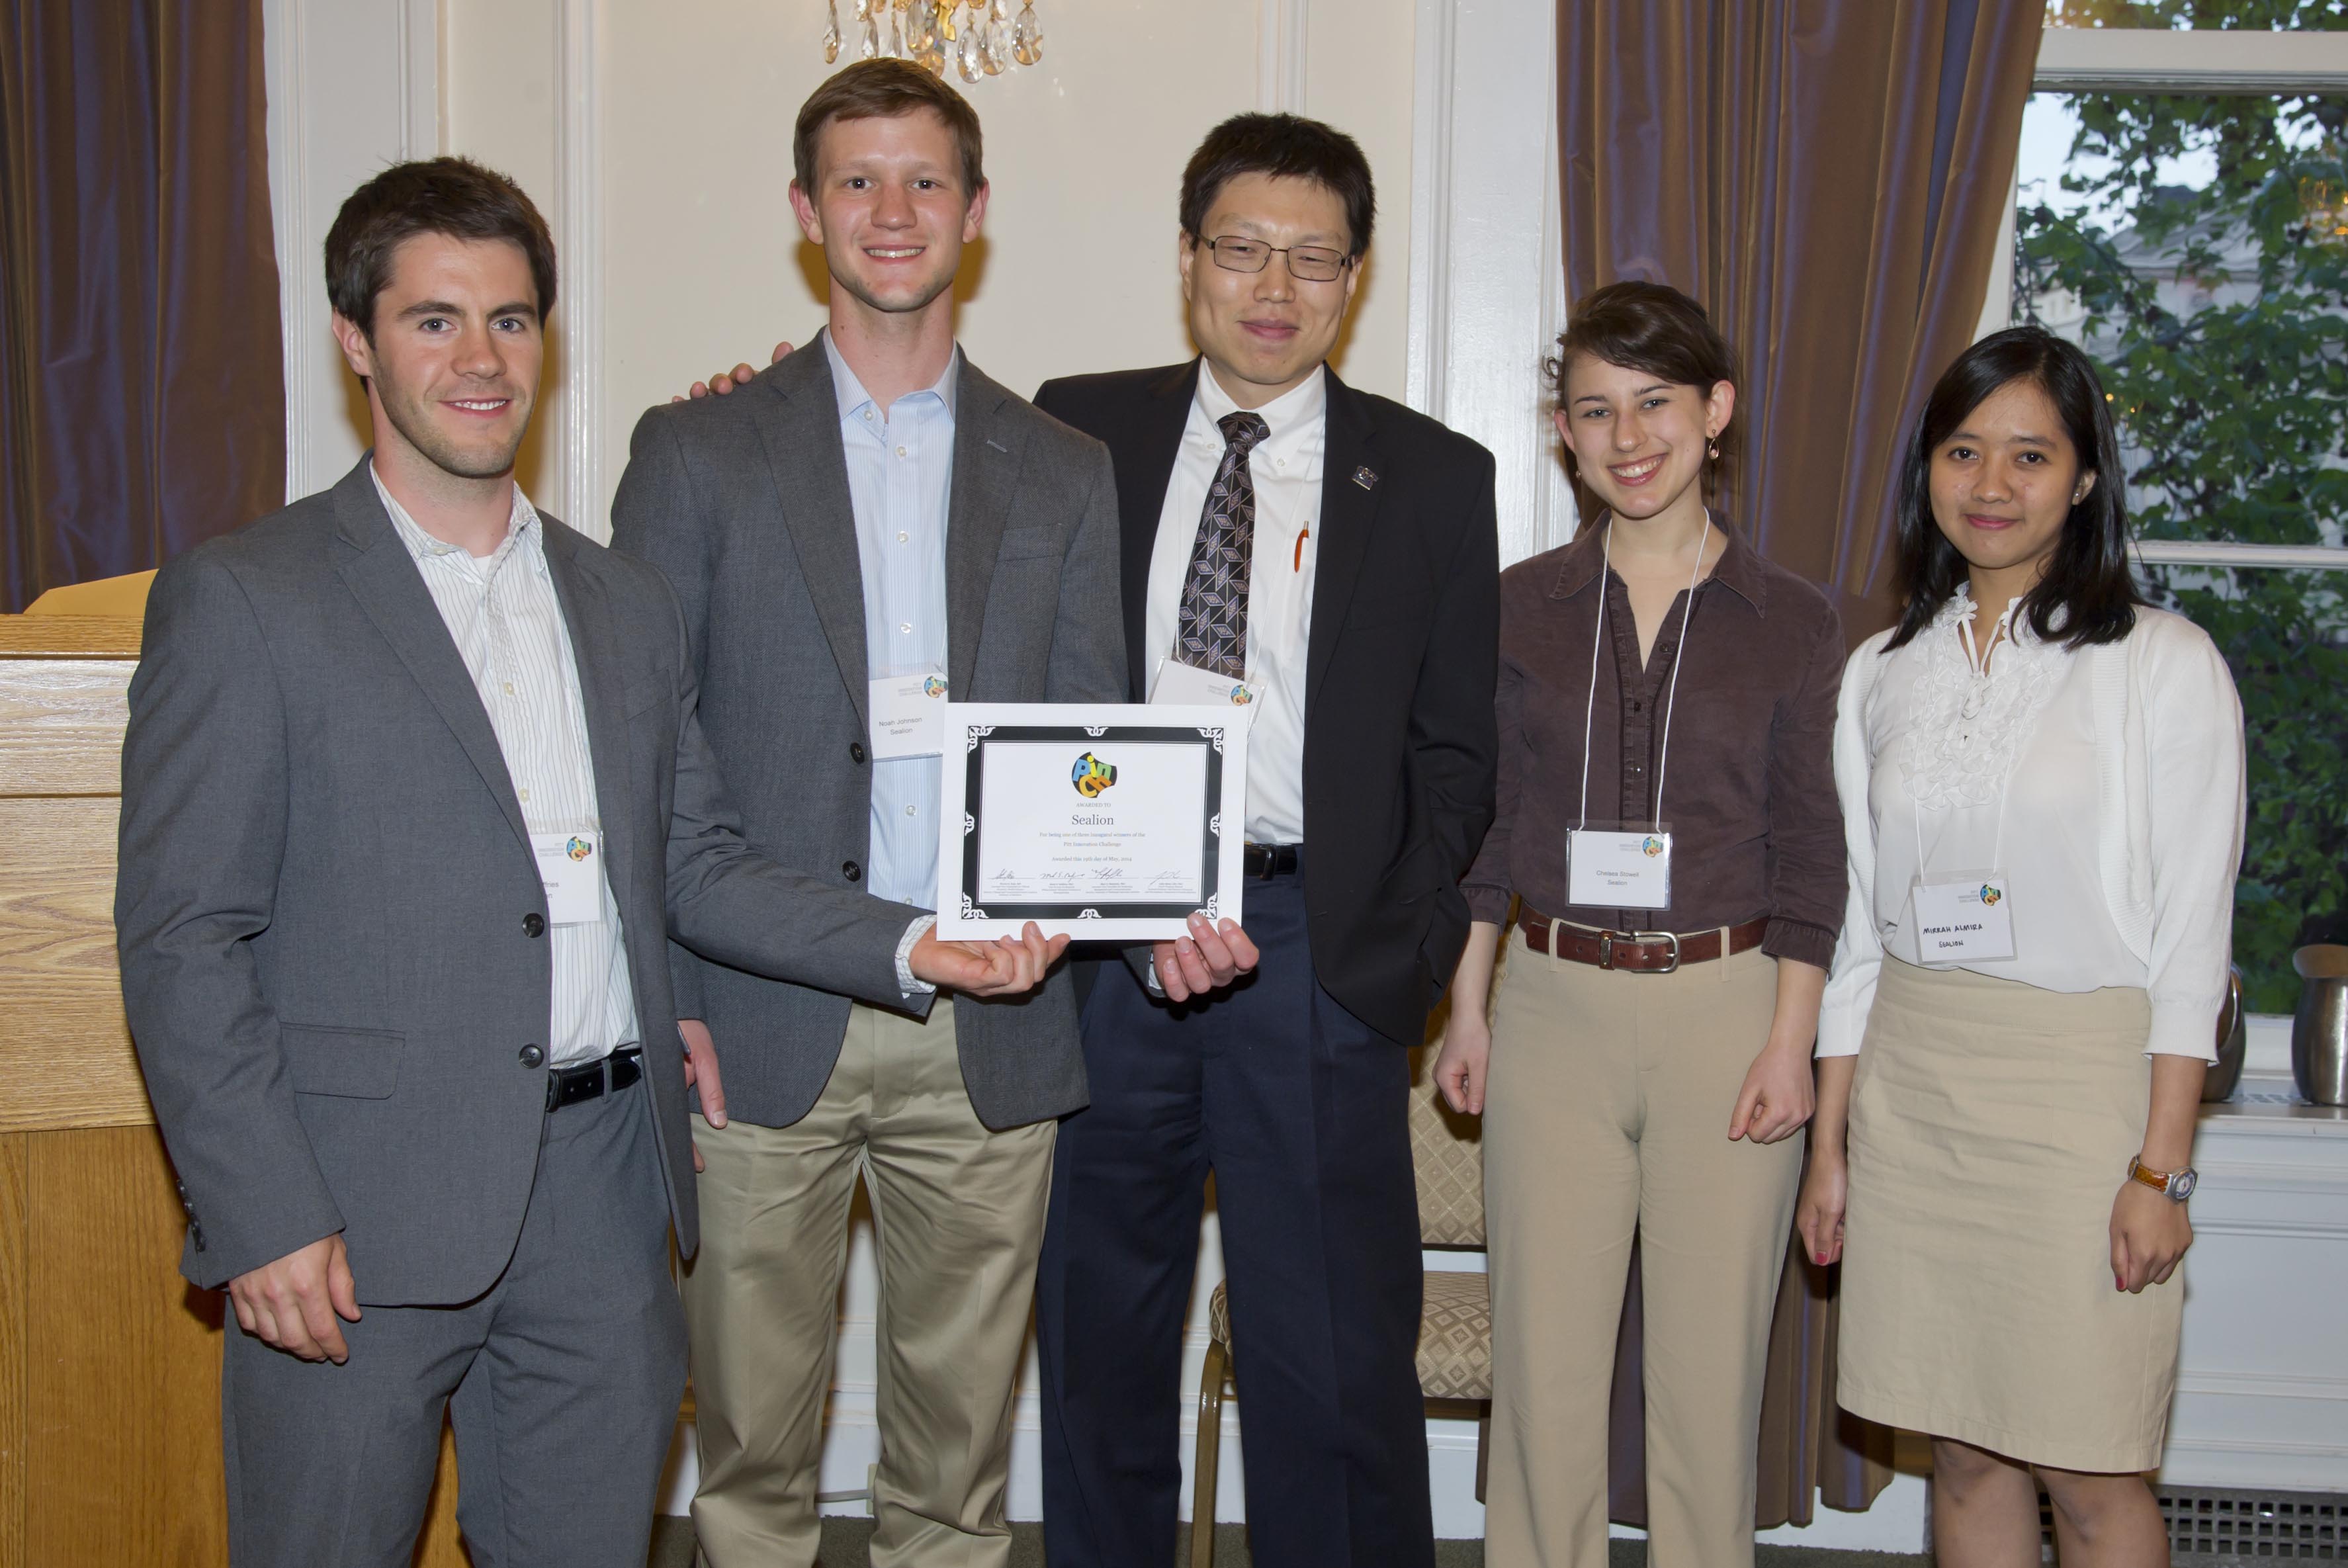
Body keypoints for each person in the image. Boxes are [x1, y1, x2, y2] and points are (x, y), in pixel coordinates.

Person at [113, 155, 1062, 1568]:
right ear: (356, 341)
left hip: (607, 1204)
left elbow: (695, 862)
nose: (481, 360)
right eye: (434, 321)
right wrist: (261, 1215)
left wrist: (911, 943)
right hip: (355, 1213)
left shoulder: (620, 604)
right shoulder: (249, 597)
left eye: (510, 320)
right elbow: (184, 936)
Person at [607, 61, 1127, 1568]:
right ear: (802, 210)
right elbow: (655, 760)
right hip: (756, 1025)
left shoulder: (1068, 471)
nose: (890, 212)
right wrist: (674, 1001)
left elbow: (1087, 740)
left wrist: (1081, 902)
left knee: (956, 1475)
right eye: (855, 180)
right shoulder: (695, 451)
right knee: (750, 1459)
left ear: (973, 214)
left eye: (922, 183)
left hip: (993, 1023)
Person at [1028, 113, 1496, 1568]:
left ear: (1352, 279)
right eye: (1240, 249)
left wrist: (1390, 967)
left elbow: (1456, 751)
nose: (1271, 286)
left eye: (1312, 258)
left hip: (1311, 951)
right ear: (1188, 262)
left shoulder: (1428, 476)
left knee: (1332, 1358)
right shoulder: (1070, 430)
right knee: (1099, 1333)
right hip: (1102, 941)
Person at [1798, 326, 2244, 1567]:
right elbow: (1859, 930)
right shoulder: (1879, 673)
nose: (1989, 485)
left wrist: (2162, 1169)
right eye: (1962, 450)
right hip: (1914, 1087)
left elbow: (2190, 941)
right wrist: (1830, 1145)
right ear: (1927, 471)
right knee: (1962, 1451)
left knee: (2090, 1464)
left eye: (2029, 455)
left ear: (2084, 478)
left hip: (2082, 1096)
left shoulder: (2162, 664)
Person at [1429, 281, 1845, 1567]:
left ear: (1714, 413)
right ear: (1562, 430)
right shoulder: (1513, 607)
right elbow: (1485, 833)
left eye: (1654, 403)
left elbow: (1811, 856)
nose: (1627, 438)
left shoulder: (1795, 621)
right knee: (1542, 1382)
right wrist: (1466, 1007)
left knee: (1704, 1388)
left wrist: (1789, 1043)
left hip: (1729, 1019)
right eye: (1595, 410)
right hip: (1549, 1008)